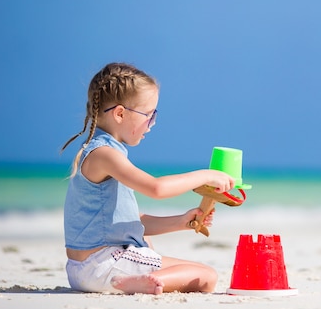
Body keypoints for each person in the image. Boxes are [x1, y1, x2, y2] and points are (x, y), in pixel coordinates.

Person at [61, 62, 235, 295]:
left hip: (84, 270)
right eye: (149, 115)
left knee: (157, 251)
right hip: (104, 265)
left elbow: (128, 223)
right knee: (206, 276)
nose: (152, 124)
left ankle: (137, 279)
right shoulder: (105, 154)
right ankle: (136, 281)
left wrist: (181, 221)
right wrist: (206, 175)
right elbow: (156, 188)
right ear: (120, 113)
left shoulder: (102, 152)